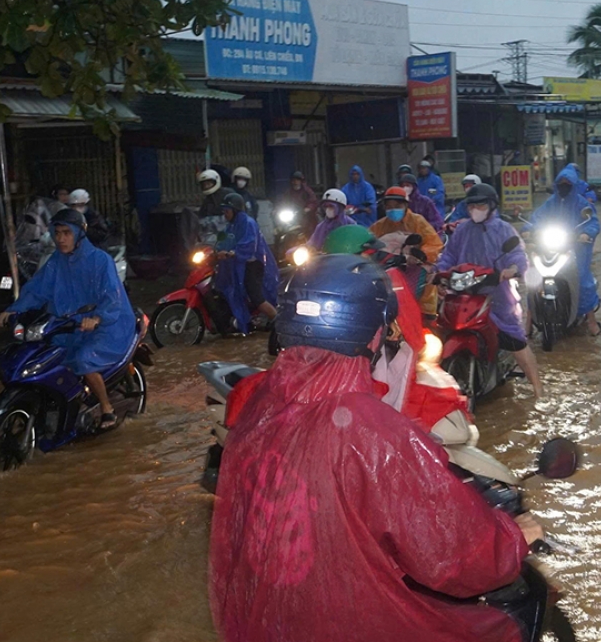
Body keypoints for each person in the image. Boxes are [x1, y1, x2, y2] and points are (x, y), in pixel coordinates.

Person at [209, 254, 540, 642]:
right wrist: (512, 538)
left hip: (263, 617)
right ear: (374, 333)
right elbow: (449, 554)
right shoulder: (369, 428)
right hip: (342, 618)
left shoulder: (260, 401)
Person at [0, 209, 134, 431]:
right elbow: (37, 289)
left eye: (66, 233)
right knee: (42, 355)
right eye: (57, 233)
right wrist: (14, 310)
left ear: (80, 234)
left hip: (107, 325)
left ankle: (107, 408)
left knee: (83, 359)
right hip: (67, 324)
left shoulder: (100, 261)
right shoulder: (56, 261)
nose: (60, 239)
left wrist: (97, 318)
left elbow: (112, 297)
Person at [437, 183, 546, 401]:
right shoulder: (462, 230)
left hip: (496, 294)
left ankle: (539, 391)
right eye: (472, 206)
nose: (475, 209)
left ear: (491, 205)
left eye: (480, 205)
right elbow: (448, 256)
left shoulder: (503, 229)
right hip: (463, 292)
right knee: (441, 332)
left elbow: (517, 255)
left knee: (515, 341)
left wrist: (512, 269)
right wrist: (438, 274)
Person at [529, 166, 601, 336]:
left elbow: (593, 222)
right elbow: (536, 218)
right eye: (561, 183)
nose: (564, 186)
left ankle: (592, 322)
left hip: (574, 248)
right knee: (533, 280)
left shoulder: (581, 203)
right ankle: (528, 323)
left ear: (574, 184)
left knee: (582, 281)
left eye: (568, 183)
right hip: (550, 247)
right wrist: (528, 229)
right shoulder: (550, 203)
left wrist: (586, 233)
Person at [370, 187, 443, 319]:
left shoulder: (418, 222)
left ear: (405, 205)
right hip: (389, 271)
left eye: (397, 205)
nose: (393, 209)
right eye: (389, 206)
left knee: (427, 280)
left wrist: (421, 255)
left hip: (415, 267)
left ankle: (426, 315)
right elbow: (368, 245)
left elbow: (434, 243)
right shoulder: (379, 226)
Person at [215, 192, 279, 333]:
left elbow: (249, 245)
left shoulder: (248, 223)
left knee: (256, 297)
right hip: (240, 264)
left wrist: (232, 253)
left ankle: (277, 320)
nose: (225, 214)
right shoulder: (231, 225)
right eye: (223, 211)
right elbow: (223, 239)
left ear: (235, 210)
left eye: (227, 211)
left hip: (253, 264)